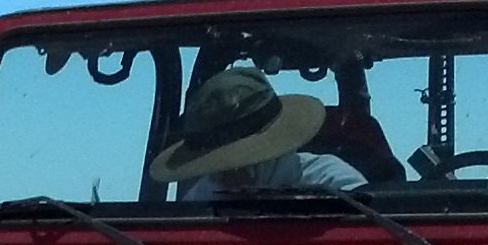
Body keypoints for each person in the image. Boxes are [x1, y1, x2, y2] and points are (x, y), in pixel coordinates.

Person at [146, 65, 367, 198]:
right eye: (216, 167)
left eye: (236, 163)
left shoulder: (334, 182)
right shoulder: (202, 196)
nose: (226, 177)